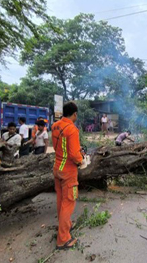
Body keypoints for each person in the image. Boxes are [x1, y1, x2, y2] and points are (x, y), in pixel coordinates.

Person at [51, 101, 83, 250]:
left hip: (57, 168)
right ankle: (63, 239)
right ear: (75, 114)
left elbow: (63, 149)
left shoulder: (55, 126)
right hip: (68, 172)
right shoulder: (72, 129)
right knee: (69, 202)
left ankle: (66, 225)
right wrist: (82, 161)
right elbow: (74, 155)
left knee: (60, 201)